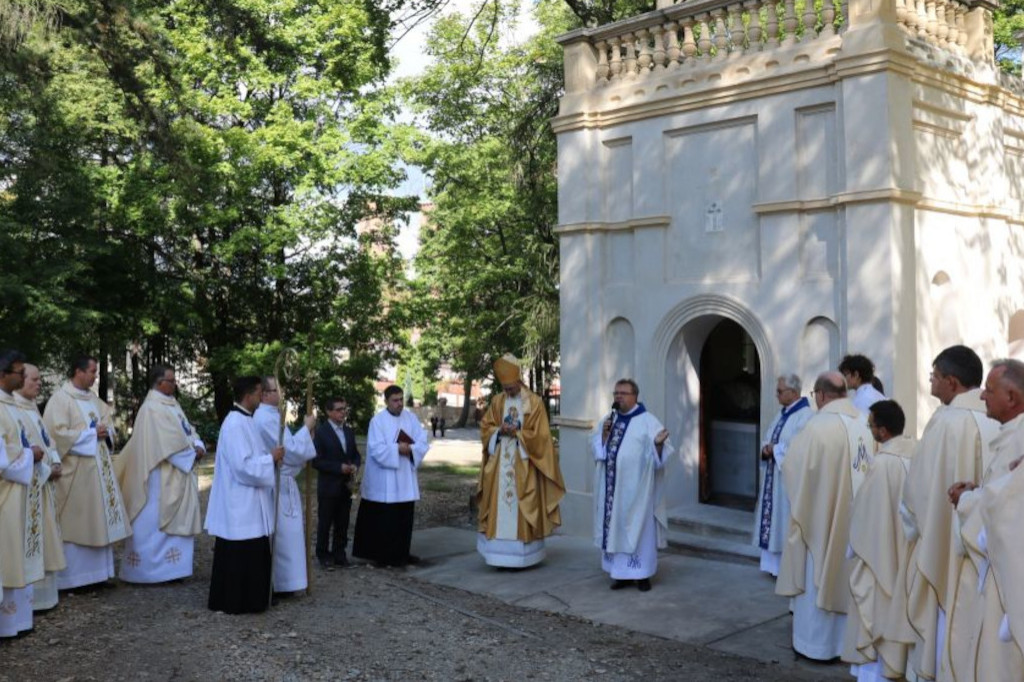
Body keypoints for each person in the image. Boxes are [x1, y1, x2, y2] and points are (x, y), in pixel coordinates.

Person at [899, 345, 997, 680]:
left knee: (945, 616)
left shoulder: (944, 423)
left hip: (944, 545)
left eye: (935, 376)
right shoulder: (999, 421)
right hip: (991, 550)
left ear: (952, 382)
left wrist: (913, 527)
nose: (930, 381)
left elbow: (917, 492)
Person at [777, 371, 872, 661]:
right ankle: (847, 644)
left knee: (816, 573)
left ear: (819, 395)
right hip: (857, 523)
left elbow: (795, 472)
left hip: (820, 520)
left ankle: (815, 646)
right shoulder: (864, 424)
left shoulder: (816, 427)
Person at [946, 359, 1024, 681]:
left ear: (1012, 398)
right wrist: (980, 490)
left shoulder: (1020, 438)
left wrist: (967, 501)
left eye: (989, 391)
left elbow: (1008, 510)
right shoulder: (1013, 434)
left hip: (1007, 578)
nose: (982, 397)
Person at [843, 400, 916, 680]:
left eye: (870, 424)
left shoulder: (883, 464)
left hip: (881, 555)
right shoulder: (916, 452)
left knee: (876, 609)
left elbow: (866, 516)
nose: (869, 429)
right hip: (907, 554)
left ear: (883, 431)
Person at [43, 355, 130, 590]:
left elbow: (108, 424)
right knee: (78, 524)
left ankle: (99, 576)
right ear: (77, 371)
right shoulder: (60, 400)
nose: (95, 376)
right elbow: (55, 434)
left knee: (98, 522)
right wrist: (92, 435)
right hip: (76, 476)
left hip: (99, 475)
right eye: (92, 371)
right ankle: (75, 580)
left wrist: (106, 431)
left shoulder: (93, 399)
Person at [115, 365, 205, 584]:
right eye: (171, 380)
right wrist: (191, 454)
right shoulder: (152, 408)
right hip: (158, 476)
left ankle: (173, 571)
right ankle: (148, 572)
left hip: (176, 471)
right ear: (159, 382)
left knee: (169, 520)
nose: (175, 384)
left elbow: (187, 430)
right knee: (152, 521)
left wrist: (198, 444)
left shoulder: (172, 405)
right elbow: (165, 443)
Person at [204, 376, 284, 614]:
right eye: (260, 392)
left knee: (253, 549)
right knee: (240, 552)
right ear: (248, 395)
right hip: (239, 500)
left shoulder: (246, 420)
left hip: (250, 499)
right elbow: (243, 466)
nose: (262, 396)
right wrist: (270, 458)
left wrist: (271, 457)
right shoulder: (235, 424)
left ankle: (255, 598)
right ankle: (237, 601)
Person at [477, 354, 565, 568]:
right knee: (499, 505)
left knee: (522, 503)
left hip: (524, 463)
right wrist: (498, 431)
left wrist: (519, 433)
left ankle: (525, 557)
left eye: (511, 387)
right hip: (500, 463)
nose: (508, 392)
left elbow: (542, 436)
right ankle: (498, 556)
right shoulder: (498, 401)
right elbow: (485, 427)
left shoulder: (533, 403)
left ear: (519, 381)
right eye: (505, 388)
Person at [592, 378, 672, 592]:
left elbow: (661, 455)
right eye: (616, 393)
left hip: (638, 493)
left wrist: (657, 445)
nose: (618, 397)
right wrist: (603, 437)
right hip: (613, 491)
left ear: (635, 396)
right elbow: (597, 447)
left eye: (623, 393)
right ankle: (620, 575)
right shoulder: (609, 420)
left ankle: (642, 575)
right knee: (615, 529)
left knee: (639, 532)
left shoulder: (648, 421)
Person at [352, 385, 429, 568]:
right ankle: (383, 556)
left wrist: (410, 449)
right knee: (386, 520)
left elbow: (422, 441)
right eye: (395, 400)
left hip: (404, 477)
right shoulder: (377, 421)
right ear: (386, 401)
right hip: (385, 479)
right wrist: (397, 449)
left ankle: (402, 552)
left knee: (403, 518)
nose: (399, 403)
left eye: (401, 399)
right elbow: (376, 450)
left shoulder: (410, 418)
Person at [252, 376, 316, 593]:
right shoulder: (264, 417)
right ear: (265, 394)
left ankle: (288, 582)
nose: (282, 393)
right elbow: (291, 450)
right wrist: (306, 429)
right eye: (277, 389)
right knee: (284, 535)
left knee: (290, 534)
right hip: (277, 484)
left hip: (284, 482)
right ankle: (282, 584)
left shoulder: (273, 415)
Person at [0, 349, 45, 638]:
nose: (22, 376)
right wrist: (31, 454)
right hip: (7, 495)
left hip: (20, 493)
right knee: (7, 556)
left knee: (19, 552)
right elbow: (3, 461)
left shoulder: (12, 405)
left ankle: (18, 621)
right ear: (3, 375)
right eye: (18, 372)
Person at [14, 364, 66, 611]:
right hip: (27, 488)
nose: (39, 384)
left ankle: (44, 598)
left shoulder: (32, 407)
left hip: (43, 484)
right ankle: (30, 603)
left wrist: (55, 461)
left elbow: (48, 441)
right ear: (20, 380)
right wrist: (47, 468)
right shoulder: (12, 408)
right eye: (34, 380)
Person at [752, 373, 813, 577]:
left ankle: (786, 568)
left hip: (788, 482)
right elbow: (768, 436)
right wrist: (767, 448)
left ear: (793, 393)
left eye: (780, 391)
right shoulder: (782, 414)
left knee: (785, 520)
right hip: (774, 478)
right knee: (774, 521)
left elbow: (799, 448)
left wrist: (775, 450)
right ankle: (773, 567)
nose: (776, 395)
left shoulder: (805, 416)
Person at [312, 397, 361, 569]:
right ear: (329, 412)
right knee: (325, 522)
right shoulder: (320, 432)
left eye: (344, 409)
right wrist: (338, 468)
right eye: (339, 409)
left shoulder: (348, 431)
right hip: (328, 485)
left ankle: (339, 553)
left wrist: (355, 464)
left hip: (346, 485)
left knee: (343, 521)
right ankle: (323, 555)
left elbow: (355, 454)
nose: (343, 413)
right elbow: (316, 461)